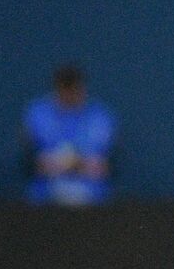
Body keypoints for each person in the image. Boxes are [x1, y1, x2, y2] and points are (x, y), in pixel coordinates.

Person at [22, 63, 115, 206]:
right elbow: (38, 164)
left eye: (75, 89)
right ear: (57, 89)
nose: (70, 94)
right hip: (45, 197)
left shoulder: (100, 115)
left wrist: (62, 163)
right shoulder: (38, 113)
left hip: (92, 198)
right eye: (66, 88)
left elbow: (101, 167)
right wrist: (79, 164)